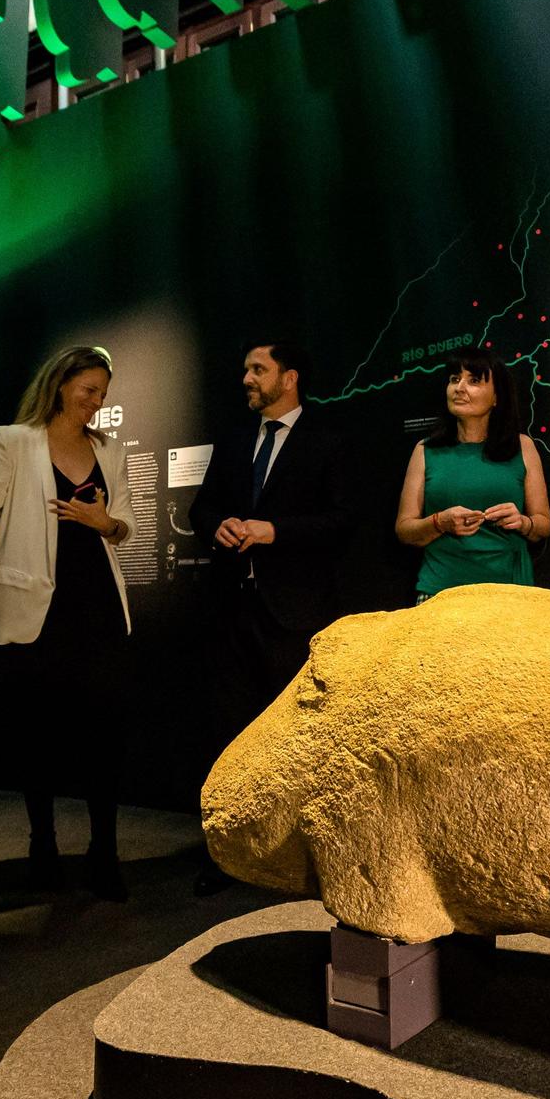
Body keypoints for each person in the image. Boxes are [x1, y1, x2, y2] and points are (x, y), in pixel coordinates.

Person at [0, 346, 137, 900]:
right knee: (39, 733)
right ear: (61, 384)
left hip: (97, 603)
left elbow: (124, 526)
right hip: (38, 608)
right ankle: (44, 847)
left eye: (103, 393)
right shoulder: (13, 441)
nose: (96, 402)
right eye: (89, 390)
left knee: (105, 730)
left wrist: (102, 521)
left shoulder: (109, 450)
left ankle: (104, 852)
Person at [187, 339, 353, 894]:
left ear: (289, 378)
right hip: (231, 609)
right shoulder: (236, 440)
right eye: (244, 369)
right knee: (227, 734)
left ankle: (297, 860)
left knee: (293, 739)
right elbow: (201, 506)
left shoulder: (329, 440)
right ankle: (228, 856)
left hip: (296, 615)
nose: (246, 379)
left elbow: (342, 521)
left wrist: (272, 531)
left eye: (257, 369)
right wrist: (220, 525)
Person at [394, 351, 550, 600]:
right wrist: (439, 522)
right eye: (455, 379)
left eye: (474, 380)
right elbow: (404, 529)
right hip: (441, 594)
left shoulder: (523, 447)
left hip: (510, 595)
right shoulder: (425, 450)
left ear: (497, 397)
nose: (459, 388)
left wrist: (522, 522)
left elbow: (543, 523)